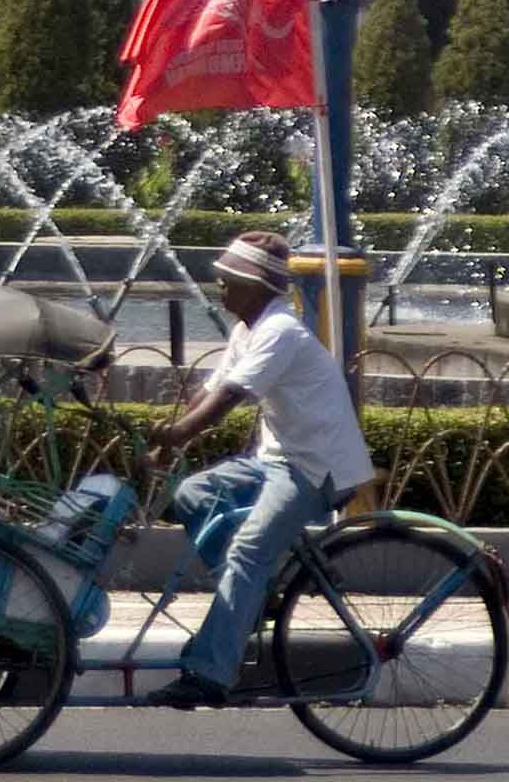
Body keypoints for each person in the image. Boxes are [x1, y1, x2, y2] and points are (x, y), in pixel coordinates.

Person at [146, 230, 375, 709]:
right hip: (274, 461)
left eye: (229, 281)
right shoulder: (245, 330)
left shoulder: (279, 331)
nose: (221, 289)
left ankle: (209, 674)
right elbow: (209, 393)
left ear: (256, 286)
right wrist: (171, 439)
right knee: (191, 496)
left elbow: (230, 399)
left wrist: (176, 436)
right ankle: (255, 597)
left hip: (316, 469)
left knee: (248, 551)